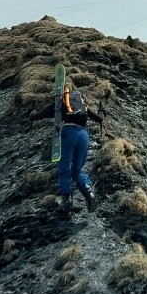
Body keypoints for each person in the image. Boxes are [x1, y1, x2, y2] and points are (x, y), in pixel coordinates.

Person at [56, 81, 97, 211]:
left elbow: (37, 116)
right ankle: (89, 193)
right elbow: (99, 119)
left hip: (68, 133)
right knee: (77, 170)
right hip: (84, 135)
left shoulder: (61, 101)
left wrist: (32, 113)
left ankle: (66, 201)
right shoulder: (82, 105)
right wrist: (102, 112)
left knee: (64, 167)